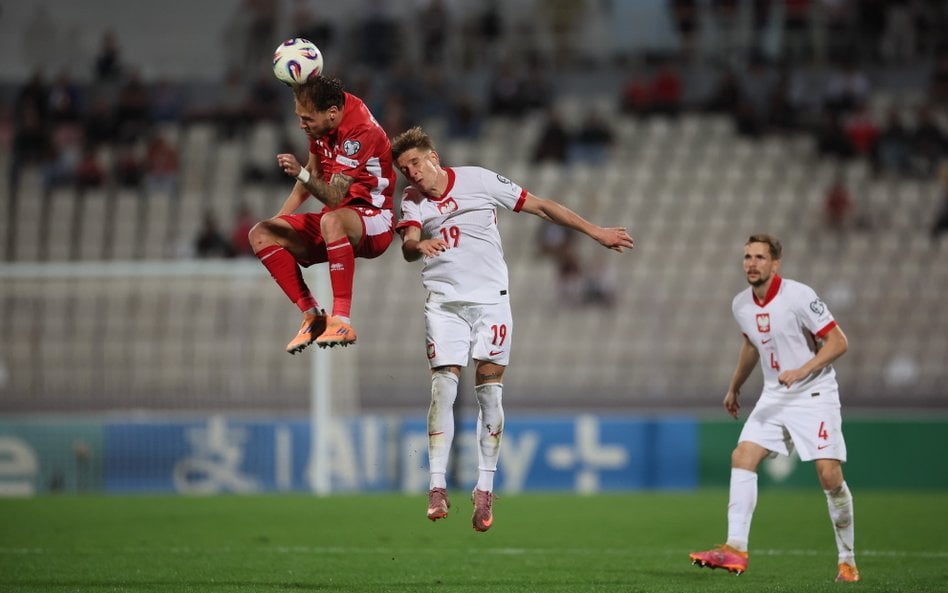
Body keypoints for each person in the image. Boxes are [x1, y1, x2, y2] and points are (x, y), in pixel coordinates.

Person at [390, 127, 634, 532]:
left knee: (488, 392)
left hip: (490, 302)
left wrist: (595, 232)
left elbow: (539, 206)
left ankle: (484, 489)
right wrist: (418, 247)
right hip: (445, 304)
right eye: (403, 168)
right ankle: (436, 486)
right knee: (444, 387)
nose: (411, 173)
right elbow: (407, 245)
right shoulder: (411, 200)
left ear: (433, 155)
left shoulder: (479, 180)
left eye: (415, 162)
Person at [689, 234, 859, 583]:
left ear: (775, 263)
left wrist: (802, 369)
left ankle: (847, 561)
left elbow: (839, 341)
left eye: (760, 258)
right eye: (747, 257)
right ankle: (735, 548)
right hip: (774, 395)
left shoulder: (799, 296)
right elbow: (752, 345)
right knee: (742, 456)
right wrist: (734, 386)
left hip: (814, 393)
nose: (751, 264)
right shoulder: (741, 304)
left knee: (829, 475)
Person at [248, 76, 395, 353]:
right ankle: (313, 316)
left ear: (332, 113)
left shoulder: (359, 131)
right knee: (261, 233)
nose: (301, 125)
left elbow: (334, 195)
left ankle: (341, 320)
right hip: (337, 221)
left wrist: (300, 173)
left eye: (307, 119)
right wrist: (278, 225)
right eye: (299, 117)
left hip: (374, 220)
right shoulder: (320, 124)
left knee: (331, 218)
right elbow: (314, 174)